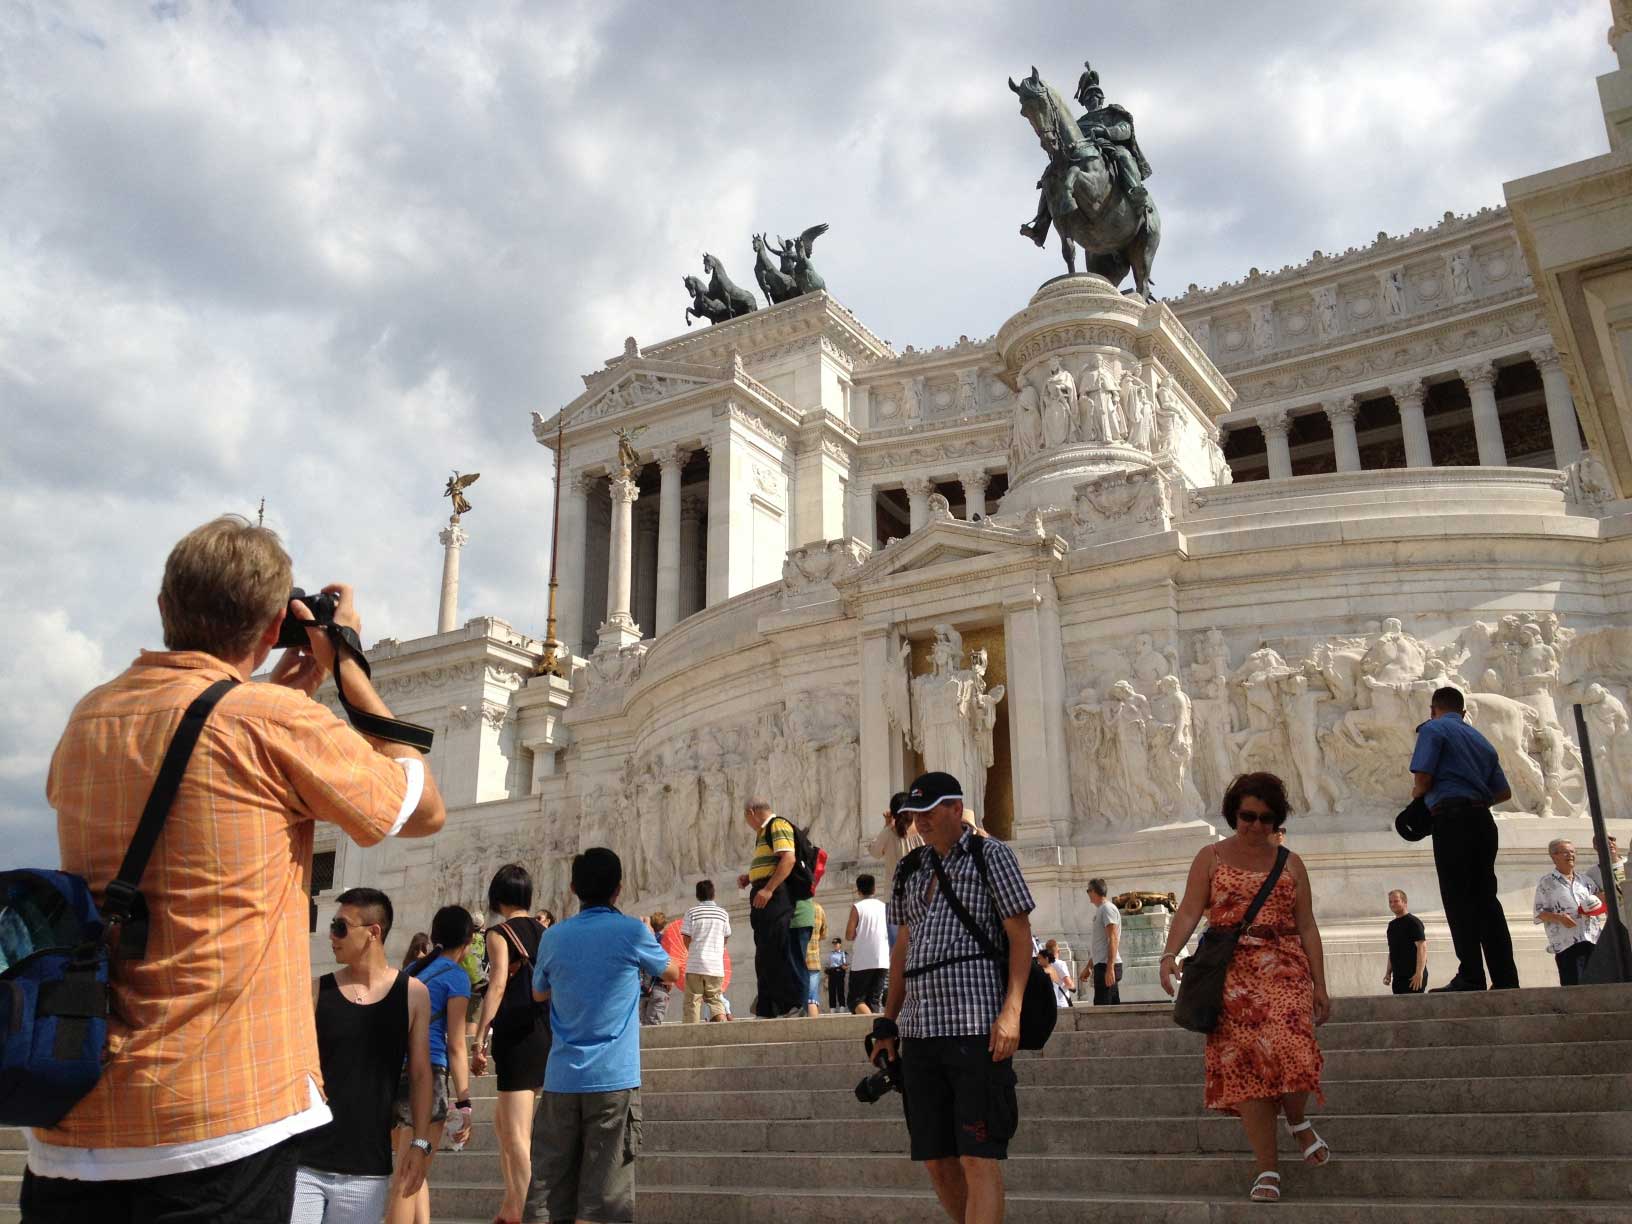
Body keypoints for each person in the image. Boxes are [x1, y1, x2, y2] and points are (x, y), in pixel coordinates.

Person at [23, 515, 445, 1224]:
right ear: (276, 621)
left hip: (77, 1121)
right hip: (216, 1126)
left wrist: (269, 692)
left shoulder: (88, 718)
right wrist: (348, 668)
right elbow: (421, 807)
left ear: (165, 608)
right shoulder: (269, 721)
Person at [868, 772, 1036, 1224]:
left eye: (929, 811)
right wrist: (887, 1022)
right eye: (914, 813)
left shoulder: (991, 855)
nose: (920, 821)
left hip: (975, 1024)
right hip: (921, 1030)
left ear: (956, 809)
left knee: (978, 1156)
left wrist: (1012, 1012)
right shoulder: (909, 868)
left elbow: (1020, 936)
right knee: (937, 1158)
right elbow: (903, 945)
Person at [1159, 773, 1330, 1205]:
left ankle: (1296, 1119)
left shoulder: (1291, 862)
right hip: (1230, 973)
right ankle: (1267, 1168)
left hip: (1285, 966)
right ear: (1234, 812)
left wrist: (1321, 984)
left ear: (1277, 820)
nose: (1255, 826)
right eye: (1247, 816)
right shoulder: (1211, 857)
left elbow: (1307, 924)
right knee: (1248, 1070)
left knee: (1294, 1048)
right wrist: (1167, 955)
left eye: (1265, 818)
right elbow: (1188, 911)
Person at [525, 847, 677, 1224]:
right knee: (604, 1196)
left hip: (561, 1078)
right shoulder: (630, 930)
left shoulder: (554, 936)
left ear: (574, 887)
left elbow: (538, 992)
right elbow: (671, 972)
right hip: (612, 1079)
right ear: (619, 888)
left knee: (547, 1186)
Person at [292, 888, 434, 1224]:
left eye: (340, 927)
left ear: (373, 933)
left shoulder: (414, 994)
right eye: (331, 925)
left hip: (366, 1170)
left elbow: (420, 1075)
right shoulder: (316, 991)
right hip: (304, 1163)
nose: (331, 935)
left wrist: (421, 1142)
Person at [1409, 686, 1520, 990]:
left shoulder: (1433, 729)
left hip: (1451, 820)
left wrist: (1418, 799)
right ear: (1464, 712)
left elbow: (1423, 779)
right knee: (1487, 901)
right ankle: (1506, 978)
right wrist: (1474, 799)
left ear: (1433, 709)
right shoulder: (1482, 741)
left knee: (1458, 900)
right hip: (1483, 820)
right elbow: (1504, 792)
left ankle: (1471, 975)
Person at [471, 864, 550, 1224]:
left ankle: (535, 1212)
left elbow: (498, 984)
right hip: (545, 1030)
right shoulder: (545, 930)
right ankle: (512, 1207)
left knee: (517, 1134)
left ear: (498, 897)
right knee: (504, 1124)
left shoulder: (497, 933)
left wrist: (480, 1034)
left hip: (517, 1035)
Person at [387, 905, 475, 1224]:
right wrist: (464, 1101)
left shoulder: (412, 970)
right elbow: (455, 1043)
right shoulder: (456, 978)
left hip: (396, 1075)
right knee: (408, 1178)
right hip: (428, 1077)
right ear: (467, 941)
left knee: (414, 1169)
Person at [736, 799, 805, 1018]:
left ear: (751, 812)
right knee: (764, 951)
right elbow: (773, 862)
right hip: (764, 893)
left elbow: (788, 859)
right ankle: (766, 1007)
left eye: (746, 818)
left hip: (774, 896)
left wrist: (768, 889)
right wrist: (751, 877)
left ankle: (791, 1004)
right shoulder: (764, 832)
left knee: (777, 948)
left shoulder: (777, 825)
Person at [1533, 839, 1606, 986]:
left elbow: (1602, 900)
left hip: (1592, 941)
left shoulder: (1585, 881)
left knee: (1596, 988)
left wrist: (1597, 902)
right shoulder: (1546, 883)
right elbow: (1539, 913)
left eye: (1573, 852)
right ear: (1554, 856)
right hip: (1567, 945)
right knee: (1574, 991)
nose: (1570, 855)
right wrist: (1559, 918)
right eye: (1565, 852)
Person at [680, 879, 731, 1023]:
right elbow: (725, 937)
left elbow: (686, 938)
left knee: (693, 1001)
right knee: (715, 999)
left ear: (697, 895)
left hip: (695, 964)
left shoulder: (691, 912)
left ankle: (691, 1035)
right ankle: (722, 1026)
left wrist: (694, 951)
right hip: (715, 965)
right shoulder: (723, 914)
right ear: (713, 894)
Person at [845, 873, 891, 1015]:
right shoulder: (884, 907)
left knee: (855, 1000)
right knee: (874, 999)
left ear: (858, 890)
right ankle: (875, 1032)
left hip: (863, 960)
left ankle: (870, 1022)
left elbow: (849, 934)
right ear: (874, 889)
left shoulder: (858, 907)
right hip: (882, 959)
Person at [868, 791, 925, 884]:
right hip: (921, 890)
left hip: (896, 892)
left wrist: (887, 825)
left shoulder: (888, 833)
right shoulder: (924, 830)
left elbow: (875, 852)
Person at [1085, 879, 1124, 1005]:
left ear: (1093, 891)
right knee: (1108, 1006)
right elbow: (1101, 944)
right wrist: (1089, 966)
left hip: (1106, 966)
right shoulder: (1102, 909)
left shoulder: (1107, 908)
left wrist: (1110, 967)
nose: (1088, 894)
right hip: (1102, 965)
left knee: (1104, 1008)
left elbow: (1112, 938)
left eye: (1088, 891)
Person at [1383, 889, 1428, 994]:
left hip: (1413, 977)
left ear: (1404, 902)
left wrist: (1419, 973)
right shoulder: (1392, 925)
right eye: (1390, 902)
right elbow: (1392, 951)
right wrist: (1388, 973)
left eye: (1396, 901)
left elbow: (1422, 948)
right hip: (1398, 978)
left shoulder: (1413, 922)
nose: (1392, 904)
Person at [640, 913, 673, 1026]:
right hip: (659, 988)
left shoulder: (643, 940)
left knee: (642, 1026)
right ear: (664, 926)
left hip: (643, 988)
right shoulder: (665, 941)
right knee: (653, 1026)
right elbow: (668, 965)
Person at [1580, 832, 1626, 911]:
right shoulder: (1592, 873)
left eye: (1612, 839)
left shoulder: (1629, 863)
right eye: (1604, 840)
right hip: (1618, 920)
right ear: (1595, 847)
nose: (1610, 842)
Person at [790, 892, 817, 1017]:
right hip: (800, 919)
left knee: (797, 966)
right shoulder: (817, 908)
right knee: (798, 966)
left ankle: (799, 1006)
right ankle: (800, 1006)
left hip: (796, 919)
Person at [805, 899, 829, 1016]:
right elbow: (823, 934)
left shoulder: (794, 907)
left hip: (796, 961)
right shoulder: (818, 908)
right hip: (813, 960)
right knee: (812, 999)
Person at [825, 938, 849, 1012]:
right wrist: (826, 976)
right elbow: (828, 965)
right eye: (834, 944)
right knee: (831, 991)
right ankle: (832, 1007)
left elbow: (845, 966)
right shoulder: (831, 954)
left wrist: (842, 967)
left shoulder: (843, 953)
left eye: (837, 943)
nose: (835, 945)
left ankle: (842, 1006)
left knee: (840, 990)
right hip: (832, 973)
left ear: (840, 944)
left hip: (839, 972)